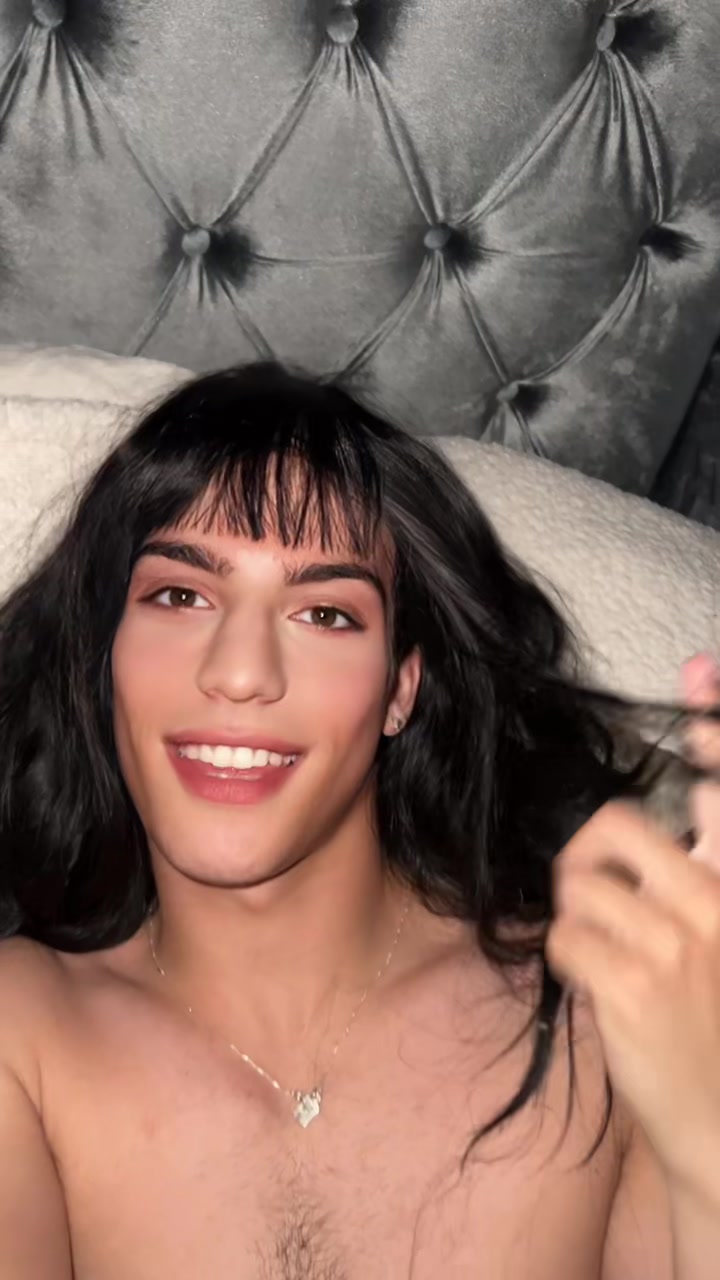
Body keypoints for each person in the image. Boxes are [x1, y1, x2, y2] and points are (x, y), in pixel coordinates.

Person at [0, 362, 718, 1279]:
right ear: (104, 656)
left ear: (400, 689)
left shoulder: (609, 1009)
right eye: (181, 596)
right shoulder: (25, 1036)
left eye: (324, 613)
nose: (240, 672)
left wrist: (706, 1135)